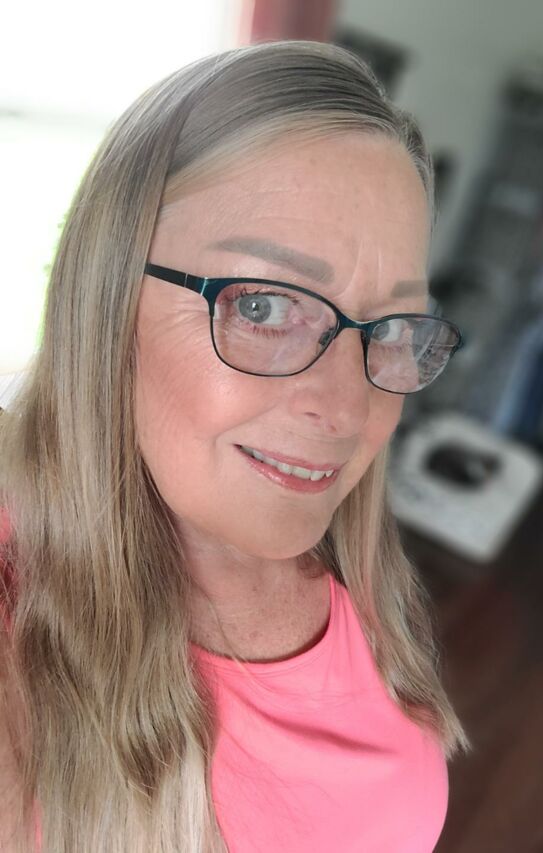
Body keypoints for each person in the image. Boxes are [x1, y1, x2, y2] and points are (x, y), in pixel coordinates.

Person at [0, 40, 470, 852]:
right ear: (104, 291)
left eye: (391, 327)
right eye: (261, 306)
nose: (347, 409)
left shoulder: (363, 573)